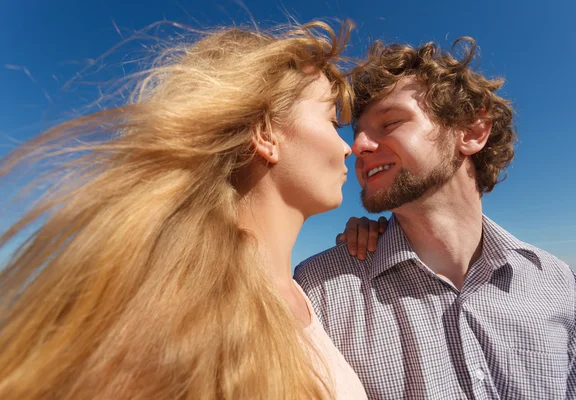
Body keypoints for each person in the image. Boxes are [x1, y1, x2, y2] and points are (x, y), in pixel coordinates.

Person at [0, 21, 368, 400]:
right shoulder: (178, 316)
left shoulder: (297, 294)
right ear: (265, 134)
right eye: (331, 122)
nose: (349, 148)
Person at [294, 37, 576, 399]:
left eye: (389, 123)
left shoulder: (554, 280)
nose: (357, 146)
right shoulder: (319, 291)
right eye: (356, 132)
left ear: (472, 132)